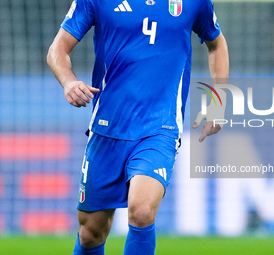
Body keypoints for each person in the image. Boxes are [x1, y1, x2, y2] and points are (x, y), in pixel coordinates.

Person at [47, 0, 229, 254]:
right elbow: (57, 49)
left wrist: (218, 101)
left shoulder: (193, 2)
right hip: (107, 129)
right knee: (90, 233)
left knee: (142, 211)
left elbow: (217, 44)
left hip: (160, 128)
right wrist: (68, 81)